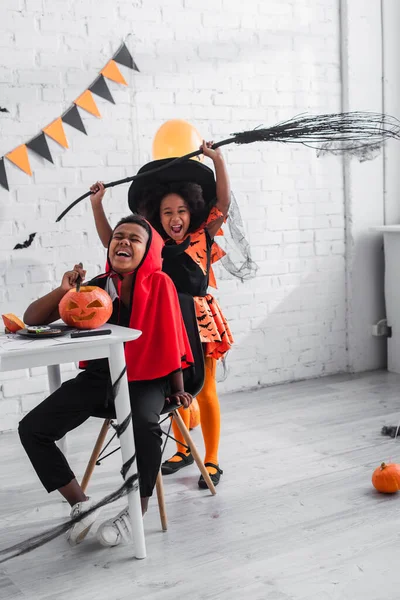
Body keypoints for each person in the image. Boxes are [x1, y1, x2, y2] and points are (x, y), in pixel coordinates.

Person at [18, 215, 193, 548]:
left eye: (134, 238)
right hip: (102, 376)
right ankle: (81, 505)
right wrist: (64, 290)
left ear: (149, 250)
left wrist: (178, 389)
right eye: (118, 236)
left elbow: (172, 338)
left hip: (148, 378)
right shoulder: (97, 286)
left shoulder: (160, 283)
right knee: (33, 428)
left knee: (144, 426)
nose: (123, 241)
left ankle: (135, 512)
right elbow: (32, 319)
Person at [89, 141, 233, 489]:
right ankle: (184, 449)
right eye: (167, 212)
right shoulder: (151, 245)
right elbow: (113, 242)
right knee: (173, 389)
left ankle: (211, 459)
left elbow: (224, 204)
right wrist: (98, 206)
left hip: (197, 321)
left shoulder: (203, 235)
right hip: (164, 322)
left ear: (192, 211)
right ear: (158, 215)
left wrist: (218, 160)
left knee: (205, 389)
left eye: (181, 211)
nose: (175, 218)